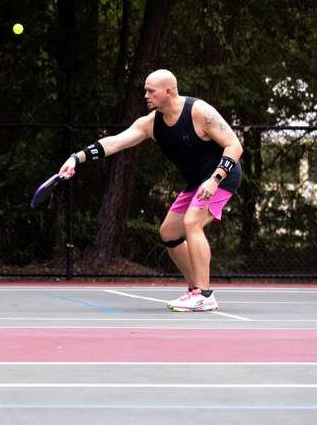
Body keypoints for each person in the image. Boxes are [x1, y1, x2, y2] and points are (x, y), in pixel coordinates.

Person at [59, 69, 243, 312]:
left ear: (168, 91)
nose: (145, 95)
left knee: (191, 223)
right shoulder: (150, 124)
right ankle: (194, 291)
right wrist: (76, 158)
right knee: (169, 233)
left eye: (150, 90)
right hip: (196, 182)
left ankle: (205, 295)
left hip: (222, 176)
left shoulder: (199, 112)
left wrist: (215, 179)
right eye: (145, 90)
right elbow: (114, 142)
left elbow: (234, 145)